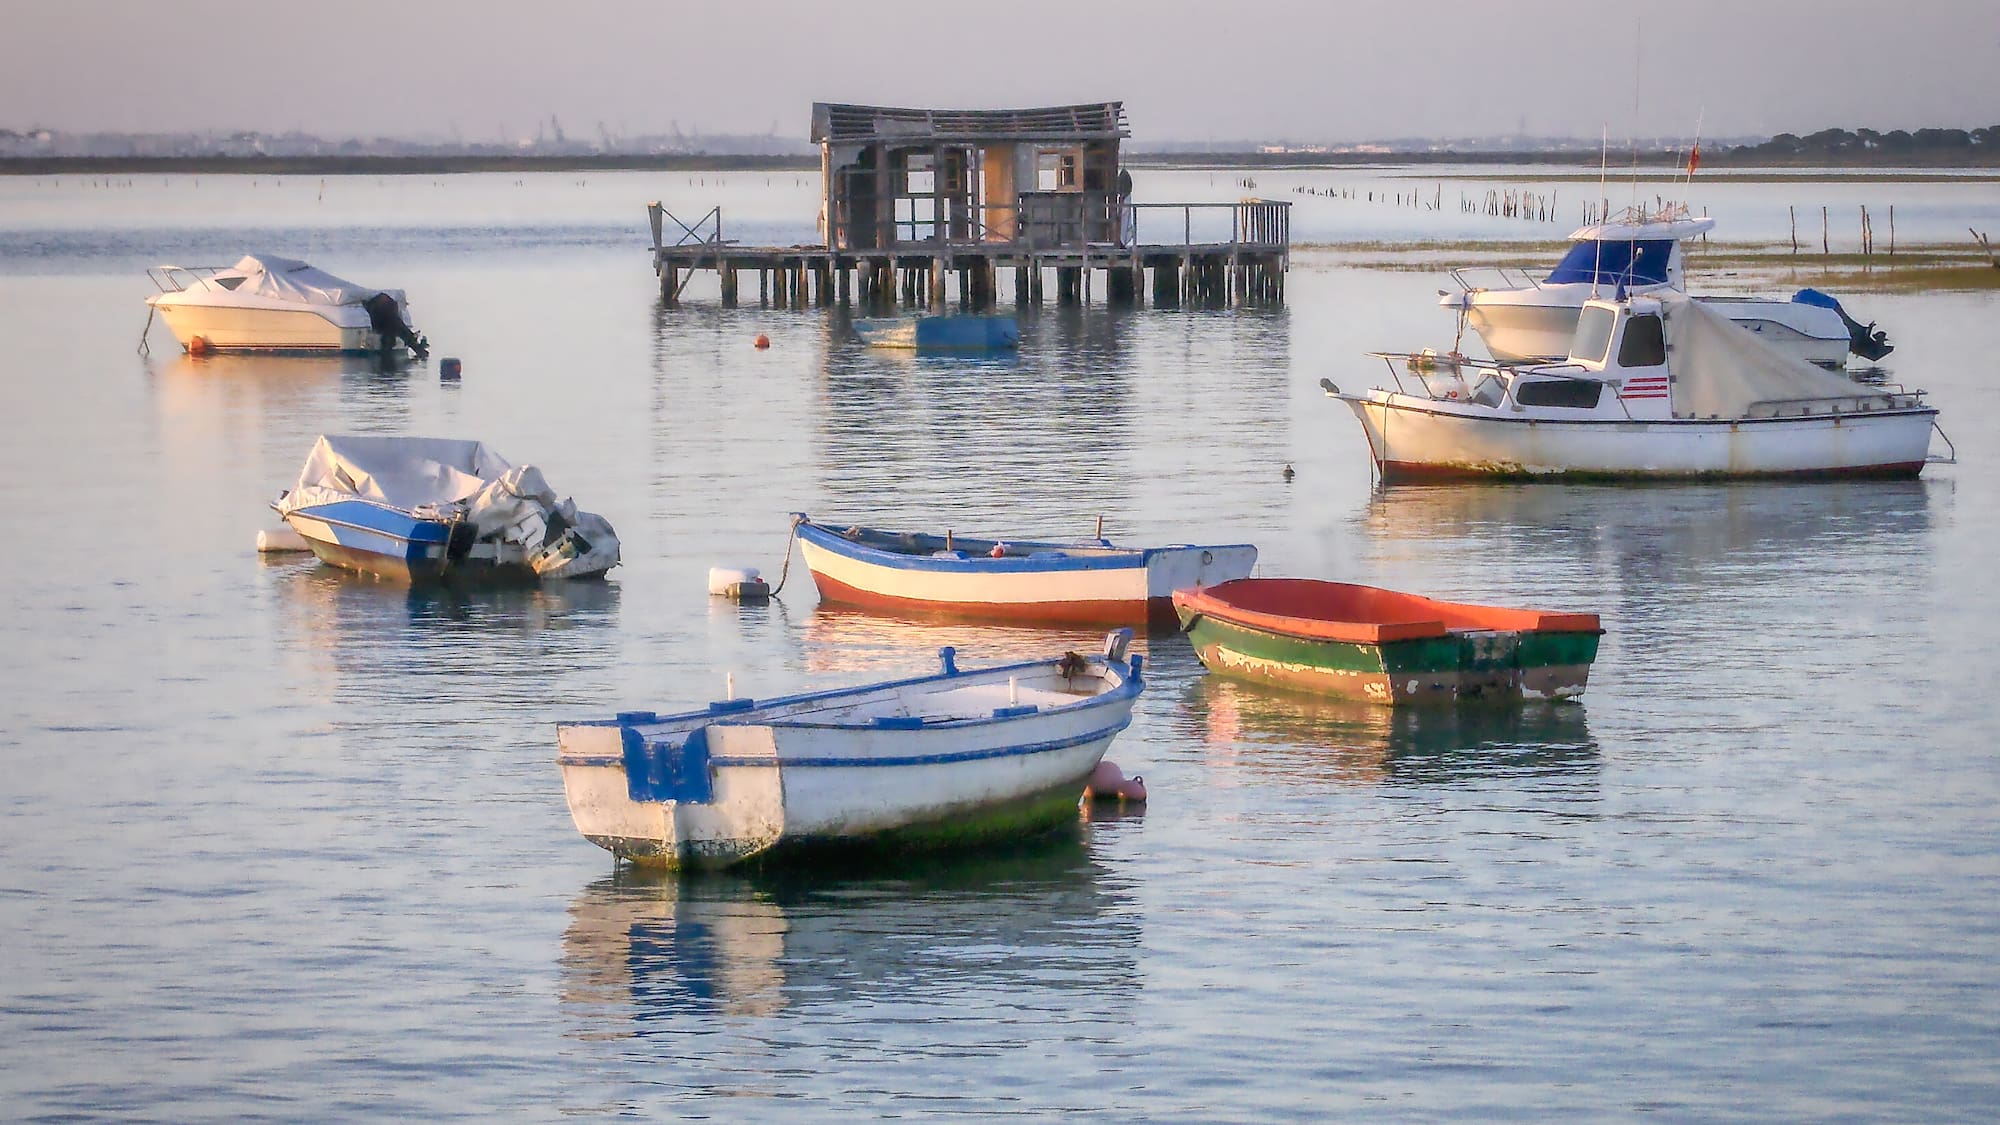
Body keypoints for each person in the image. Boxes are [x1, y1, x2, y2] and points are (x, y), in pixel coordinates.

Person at [361, 292, 429, 359]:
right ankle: (417, 346)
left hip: (387, 325)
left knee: (397, 331)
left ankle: (416, 346)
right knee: (399, 330)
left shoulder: (378, 306)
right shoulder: (386, 307)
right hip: (389, 325)